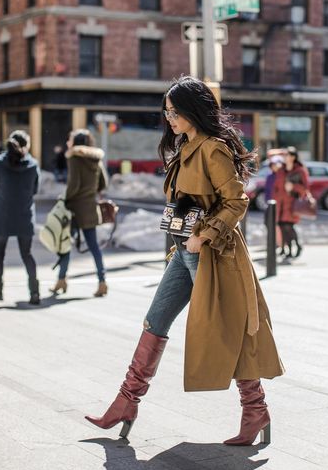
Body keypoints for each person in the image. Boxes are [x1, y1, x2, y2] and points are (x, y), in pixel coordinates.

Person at [85, 76, 284, 445]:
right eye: (167, 111)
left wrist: (204, 235)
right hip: (184, 252)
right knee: (155, 320)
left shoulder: (212, 148)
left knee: (232, 330)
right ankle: (126, 402)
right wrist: (187, 240)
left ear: (193, 111)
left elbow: (237, 201)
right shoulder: (186, 147)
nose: (169, 117)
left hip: (211, 254)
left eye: (175, 111)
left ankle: (255, 409)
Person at [50, 129, 109, 297]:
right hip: (90, 208)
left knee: (65, 244)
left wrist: (65, 199)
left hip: (74, 209)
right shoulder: (96, 158)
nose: (68, 142)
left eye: (69, 139)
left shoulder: (74, 158)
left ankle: (61, 279)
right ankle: (102, 282)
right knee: (94, 247)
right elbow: (103, 183)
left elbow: (73, 184)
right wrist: (90, 192)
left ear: (75, 142)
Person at [0, 130, 41, 305]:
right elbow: (35, 190)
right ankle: (34, 292)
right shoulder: (33, 164)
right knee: (27, 254)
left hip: (2, 214)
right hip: (24, 215)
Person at [272, 146, 308, 259]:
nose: (285, 157)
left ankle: (296, 246)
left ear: (293, 157)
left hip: (292, 204)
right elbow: (276, 187)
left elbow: (305, 188)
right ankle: (287, 249)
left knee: (289, 227)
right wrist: (274, 200)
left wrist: (294, 186)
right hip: (280, 204)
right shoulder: (281, 170)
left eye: (287, 155)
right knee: (282, 227)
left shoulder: (300, 170)